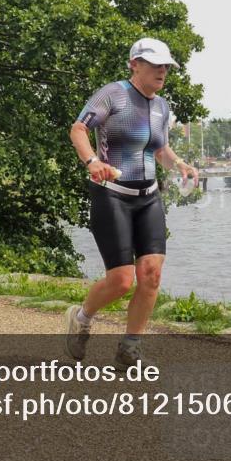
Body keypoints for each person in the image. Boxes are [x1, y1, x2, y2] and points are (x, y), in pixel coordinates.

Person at [66, 38, 198, 368]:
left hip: (148, 197)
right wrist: (92, 161)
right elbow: (78, 129)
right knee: (122, 280)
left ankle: (129, 349)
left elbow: (158, 149)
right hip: (112, 194)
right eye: (155, 65)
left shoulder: (162, 106)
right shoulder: (113, 94)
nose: (162, 71)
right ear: (134, 65)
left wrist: (180, 165)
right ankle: (81, 318)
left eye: (166, 66)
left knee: (151, 274)